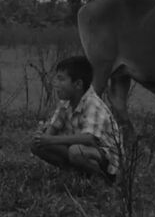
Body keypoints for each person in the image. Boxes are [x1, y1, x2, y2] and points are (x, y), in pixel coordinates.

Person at [31, 55, 121, 183]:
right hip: (80, 150)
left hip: (105, 158)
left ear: (78, 84)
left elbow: (89, 139)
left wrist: (50, 140)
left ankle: (103, 180)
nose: (55, 83)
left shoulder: (93, 104)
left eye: (61, 79)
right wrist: (43, 136)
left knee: (75, 152)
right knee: (37, 144)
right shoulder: (65, 103)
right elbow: (53, 128)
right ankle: (75, 173)